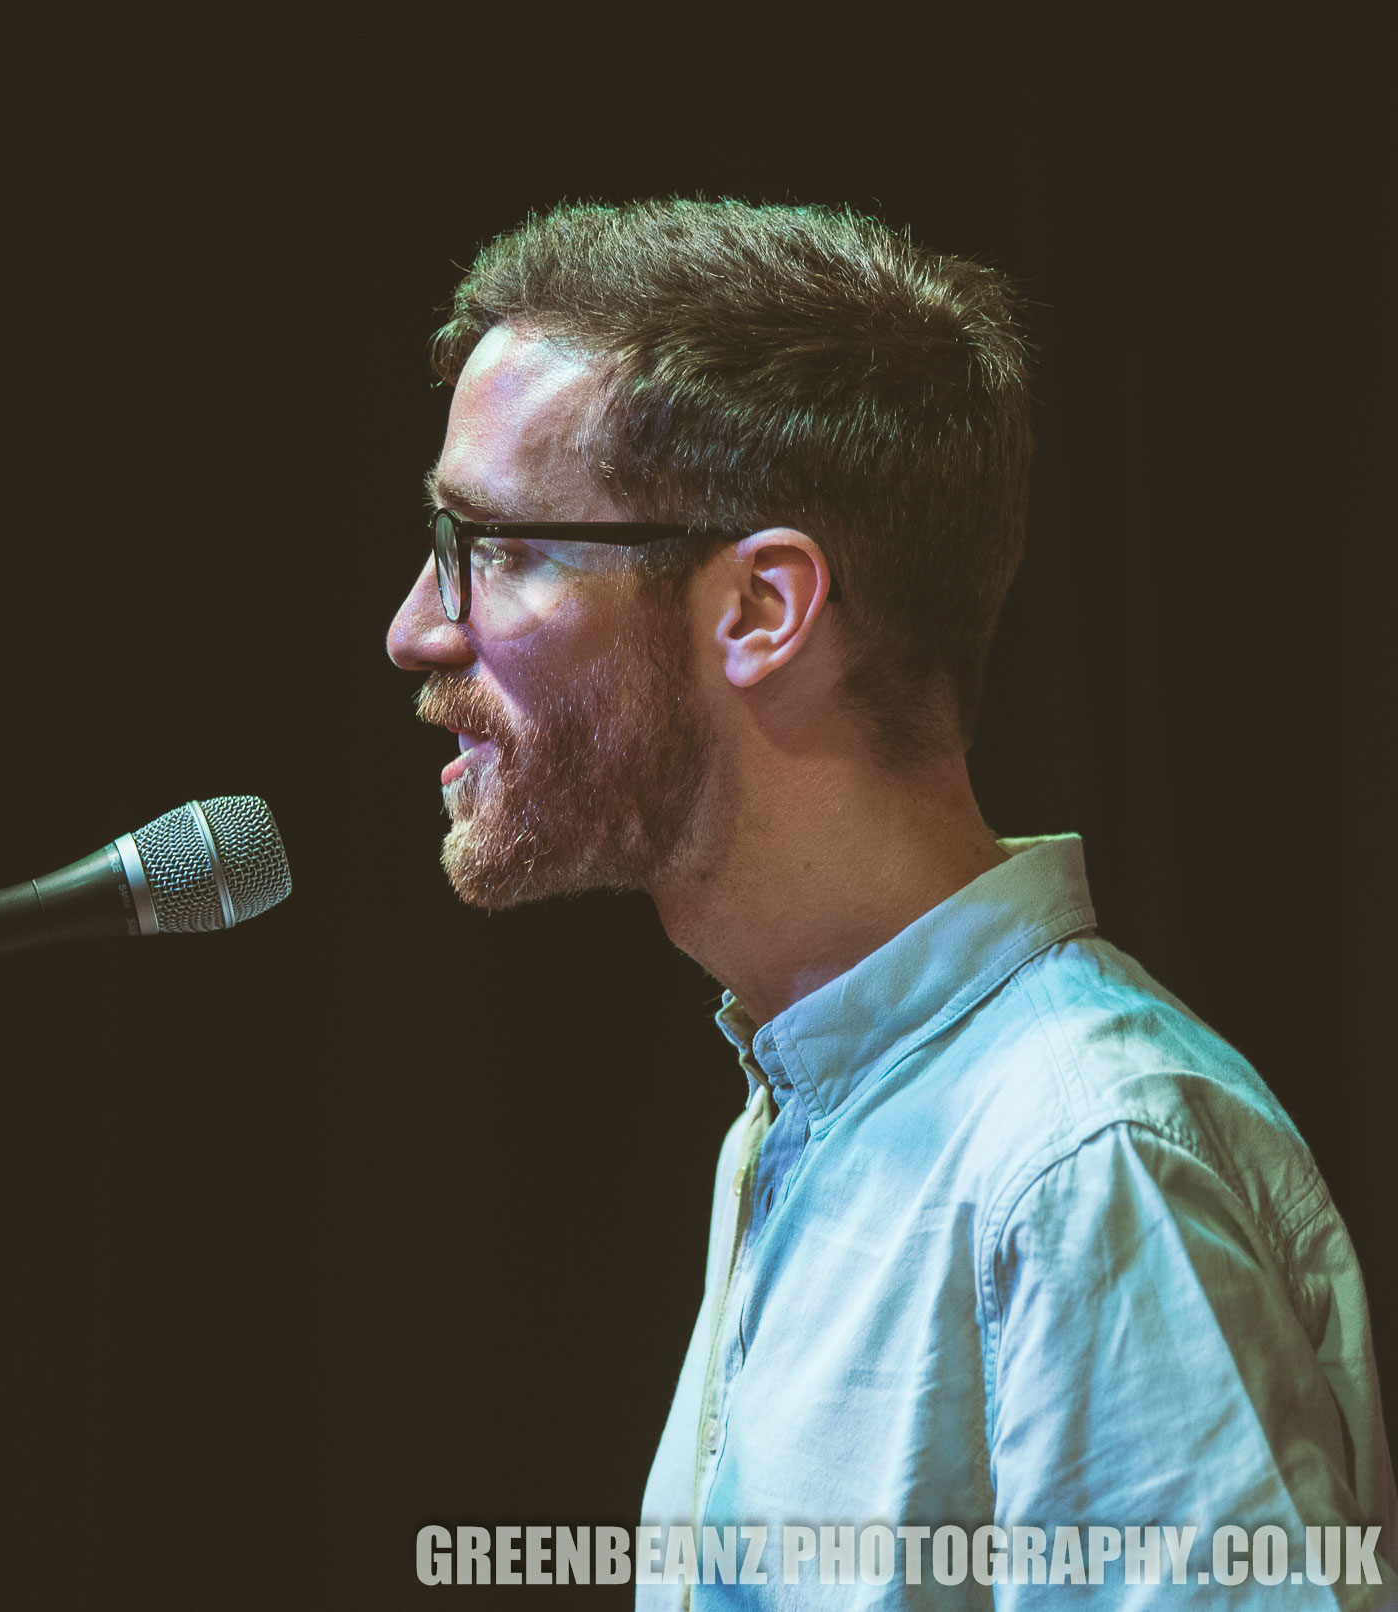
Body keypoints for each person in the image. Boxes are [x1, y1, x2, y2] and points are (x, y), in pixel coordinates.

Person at [385, 198, 1394, 1606]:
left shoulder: (1076, 1161)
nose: (419, 627)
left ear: (762, 609)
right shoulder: (808, 1105)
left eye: (494, 546)